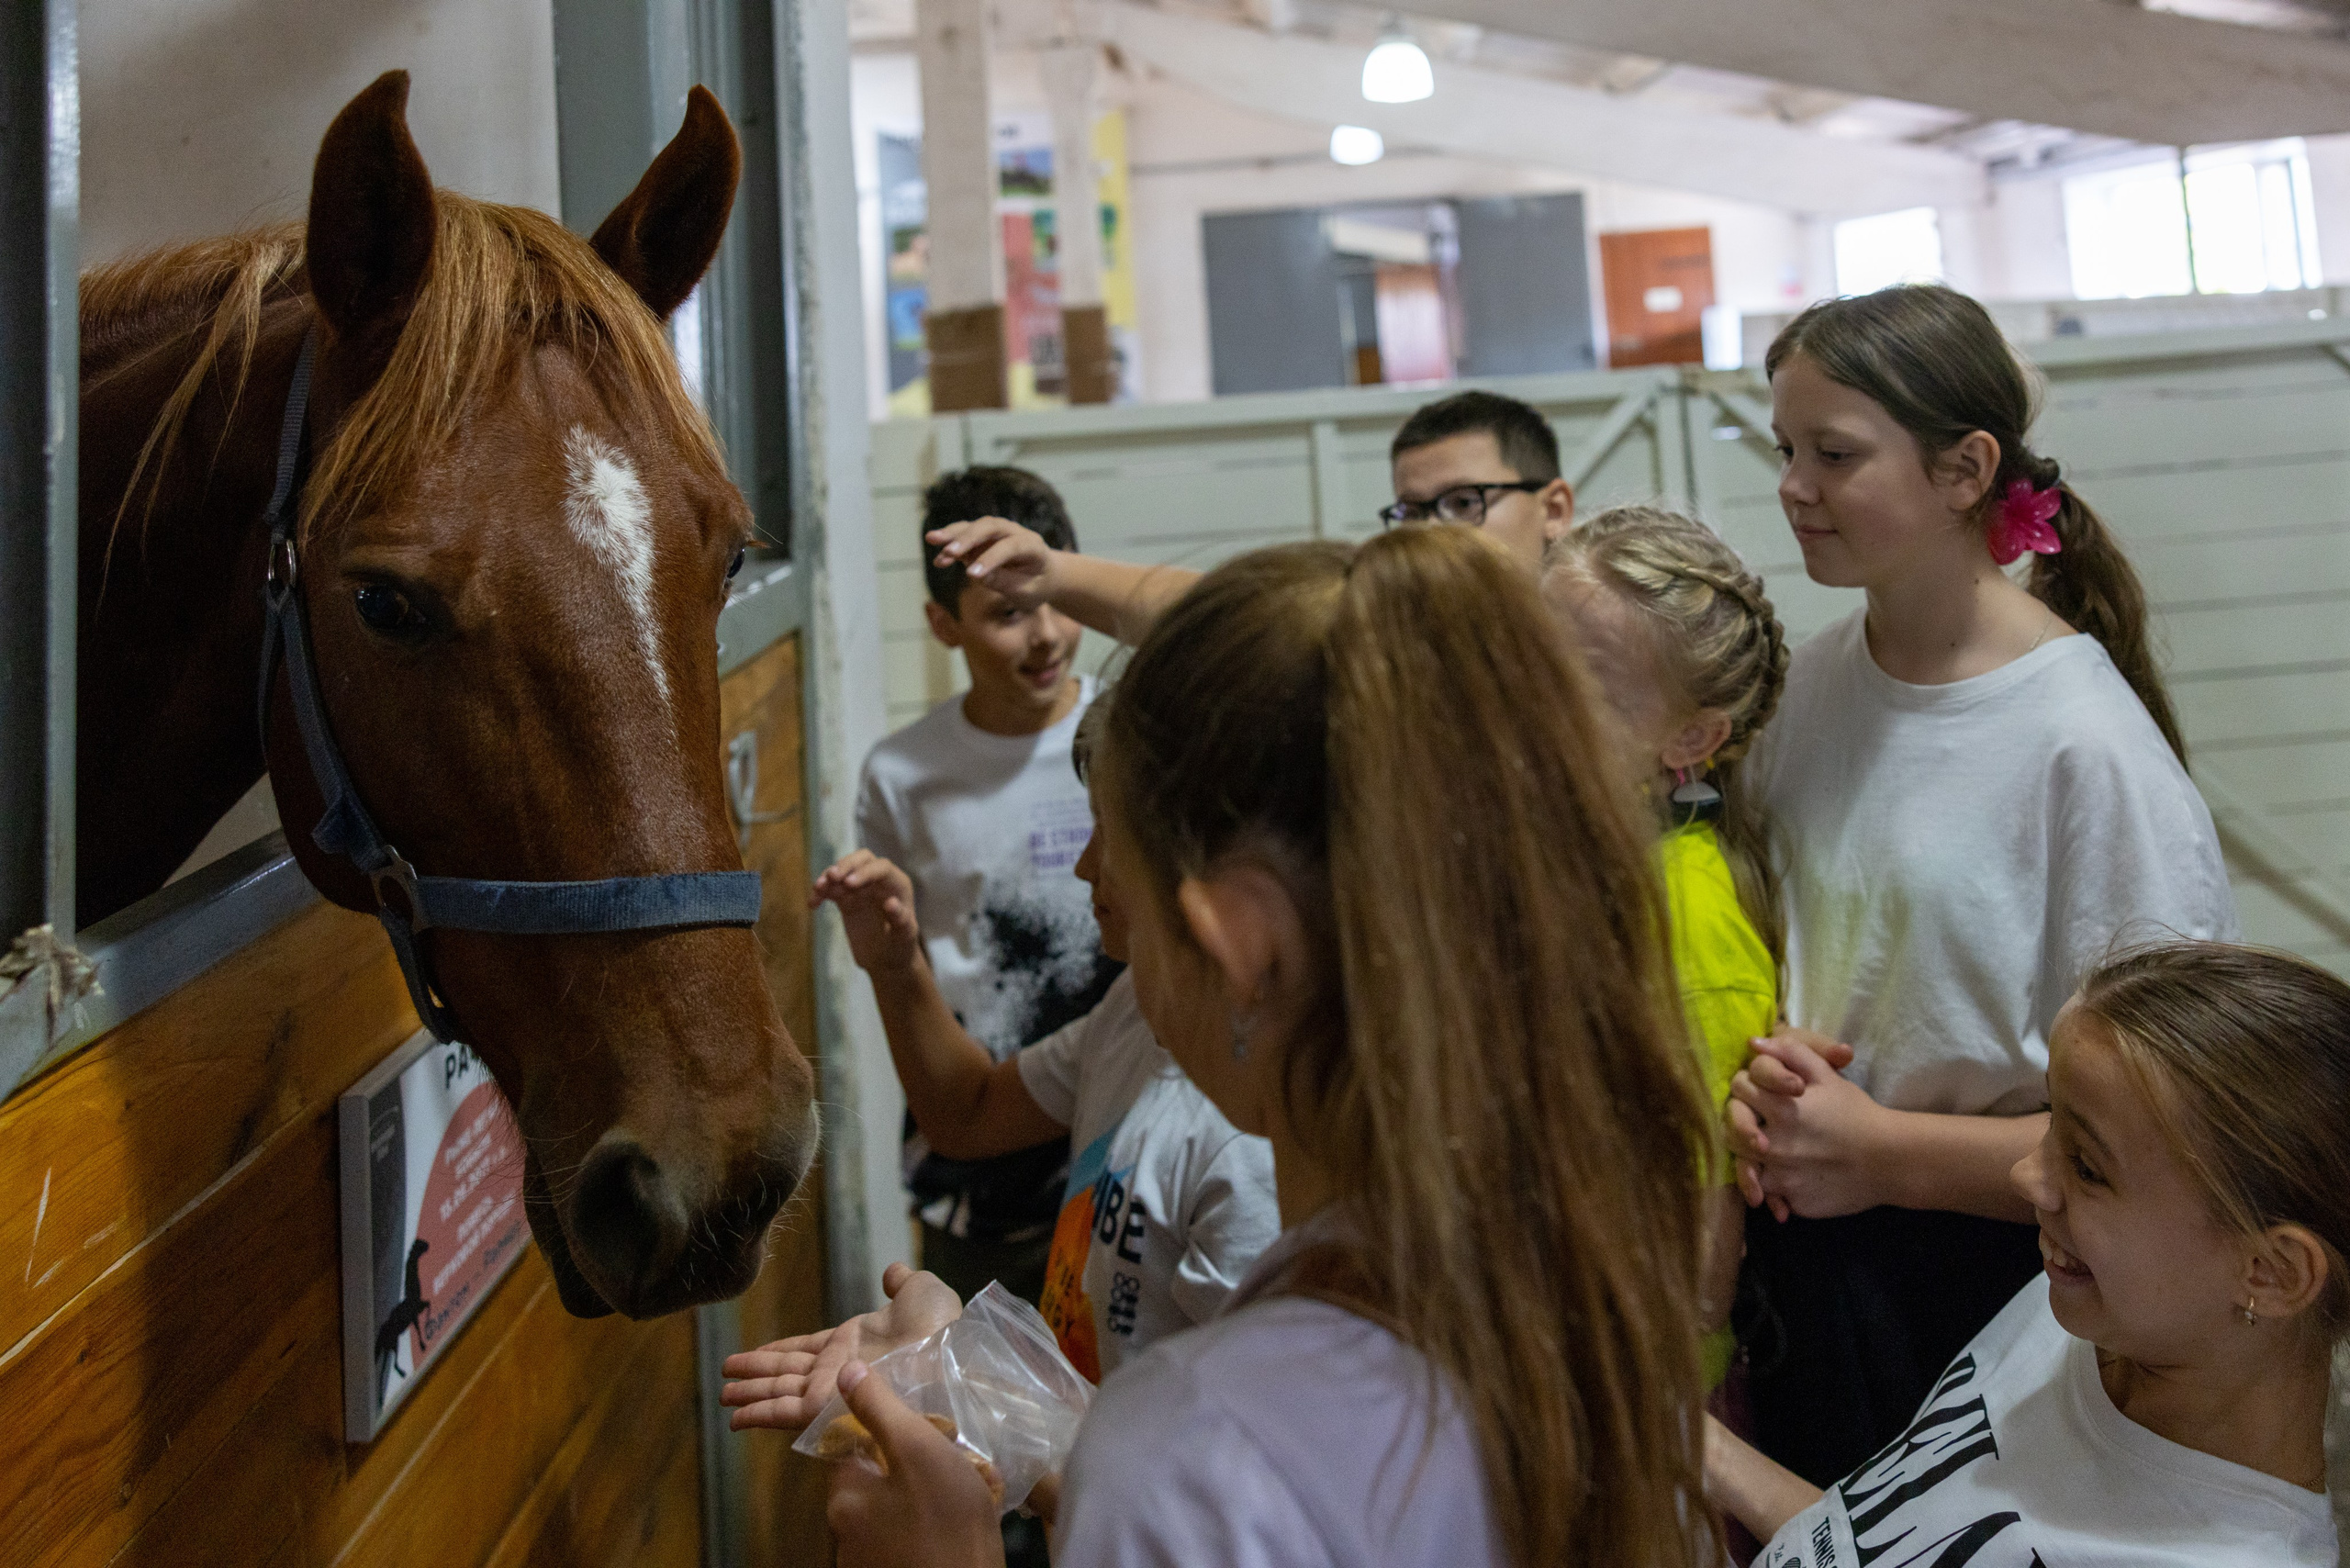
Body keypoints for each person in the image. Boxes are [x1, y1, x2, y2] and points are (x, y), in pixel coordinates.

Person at [817, 528, 1719, 1568]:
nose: (1092, 883)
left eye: (1144, 894)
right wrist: (973, 1372)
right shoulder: (1561, 1262)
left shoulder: (1200, 1447)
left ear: (1240, 941)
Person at [1734, 284, 2237, 1486]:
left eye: (1835, 454)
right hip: (1811, 1262)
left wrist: (1882, 1150)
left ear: (1965, 470)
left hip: (1994, 1287)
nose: (1794, 487)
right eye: (1787, 450)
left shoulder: (2082, 742)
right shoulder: (1806, 693)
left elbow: (2173, 1136)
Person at [1708, 940, 2344, 1566]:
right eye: (2051, 1126)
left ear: (2272, 1271)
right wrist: (1691, 1442)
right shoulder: (2086, 1316)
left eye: (2088, 1167)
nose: (2026, 1178)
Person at [722, 702, 1278, 1415]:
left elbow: (1201, 1487)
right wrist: (898, 967)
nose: (1083, 865)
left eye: (1108, 834)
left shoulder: (1247, 1152)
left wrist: (956, 1382)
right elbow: (969, 1112)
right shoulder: (1131, 1018)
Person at [856, 465, 1120, 1307]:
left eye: (1056, 596)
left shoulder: (1130, 735)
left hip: (1125, 1153)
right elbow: (915, 974)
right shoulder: (903, 775)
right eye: (1007, 613)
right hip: (983, 1177)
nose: (1044, 635)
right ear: (944, 624)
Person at [1541, 505, 1788, 1388]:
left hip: (1634, 1404)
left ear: (1691, 738)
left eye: (1590, 686)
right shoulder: (1569, 871)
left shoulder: (1689, 929)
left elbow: (1696, 1261)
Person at [922, 387, 1572, 645]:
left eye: (1464, 504)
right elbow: (1220, 615)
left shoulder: (1613, 629)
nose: (1433, 534)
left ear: (1554, 508)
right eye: (1411, 511)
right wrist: (1056, 574)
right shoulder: (1388, 635)